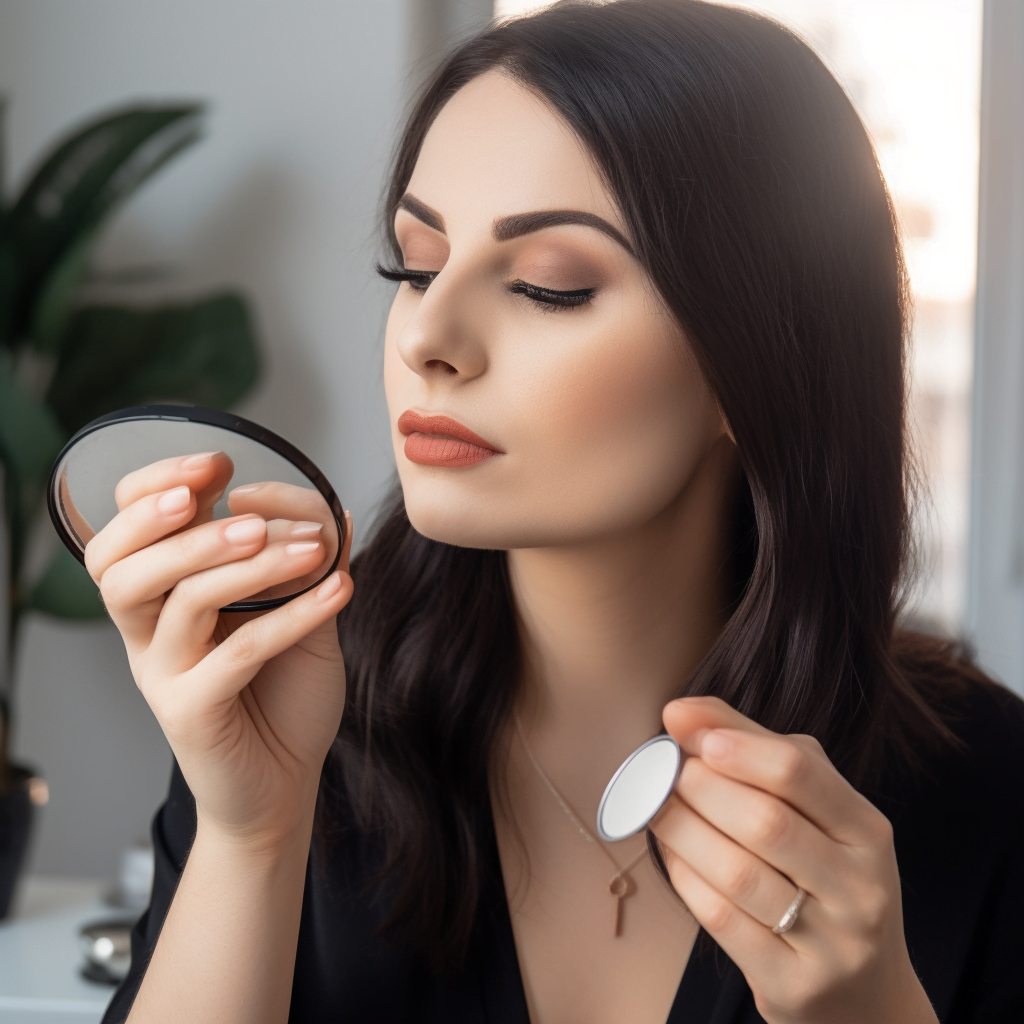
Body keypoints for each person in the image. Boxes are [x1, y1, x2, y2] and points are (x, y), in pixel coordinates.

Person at [95, 2, 1023, 1022]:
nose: (428, 338)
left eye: (548, 286)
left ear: (751, 359)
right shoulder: (302, 719)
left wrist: (875, 1007)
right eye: (415, 265)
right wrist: (248, 836)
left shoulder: (984, 791)